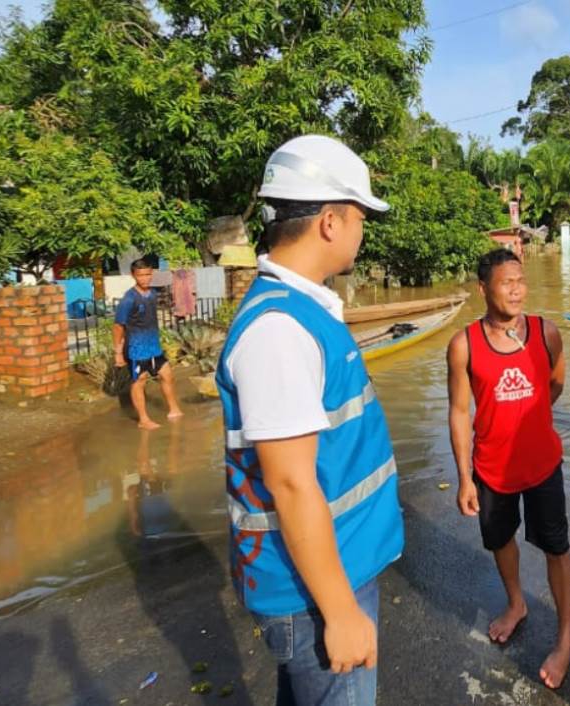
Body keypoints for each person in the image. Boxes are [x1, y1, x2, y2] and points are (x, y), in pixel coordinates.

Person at [215, 135, 403, 706]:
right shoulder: (280, 330)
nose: (361, 232)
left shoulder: (304, 309)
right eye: (360, 217)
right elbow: (291, 482)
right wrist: (341, 612)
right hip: (318, 591)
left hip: (330, 569)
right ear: (329, 221)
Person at [446, 248, 570, 689]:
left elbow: (555, 381)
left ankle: (564, 637)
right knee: (500, 539)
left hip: (542, 464)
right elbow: (460, 412)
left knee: (557, 547)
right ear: (483, 288)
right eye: (506, 282)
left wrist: (531, 417)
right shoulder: (464, 344)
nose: (516, 289)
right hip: (491, 469)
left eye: (520, 280)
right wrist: (464, 476)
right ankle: (516, 603)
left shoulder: (545, 332)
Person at [113, 260, 182, 429]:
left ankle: (174, 409)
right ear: (133, 275)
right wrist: (118, 352)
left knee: (167, 375)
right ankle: (143, 420)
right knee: (139, 381)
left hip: (154, 346)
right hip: (136, 349)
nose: (145, 278)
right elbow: (117, 326)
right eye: (140, 275)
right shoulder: (129, 299)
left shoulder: (152, 294)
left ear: (152, 274)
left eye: (148, 274)